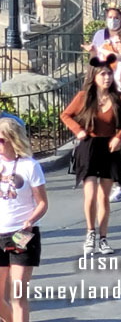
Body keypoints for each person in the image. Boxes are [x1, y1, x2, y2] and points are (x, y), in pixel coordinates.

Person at [60, 57, 121, 255]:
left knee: (104, 197)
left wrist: (118, 137)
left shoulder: (120, 99)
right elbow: (66, 115)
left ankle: (104, 238)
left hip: (109, 148)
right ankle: (90, 233)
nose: (107, 77)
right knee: (90, 194)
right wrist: (78, 130)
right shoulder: (84, 97)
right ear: (94, 77)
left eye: (109, 73)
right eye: (102, 74)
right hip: (89, 147)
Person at [0, 118, 47, 322]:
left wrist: (30, 220)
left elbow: (43, 203)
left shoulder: (30, 166)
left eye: (1, 139)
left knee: (17, 294)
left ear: (12, 140)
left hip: (22, 234)